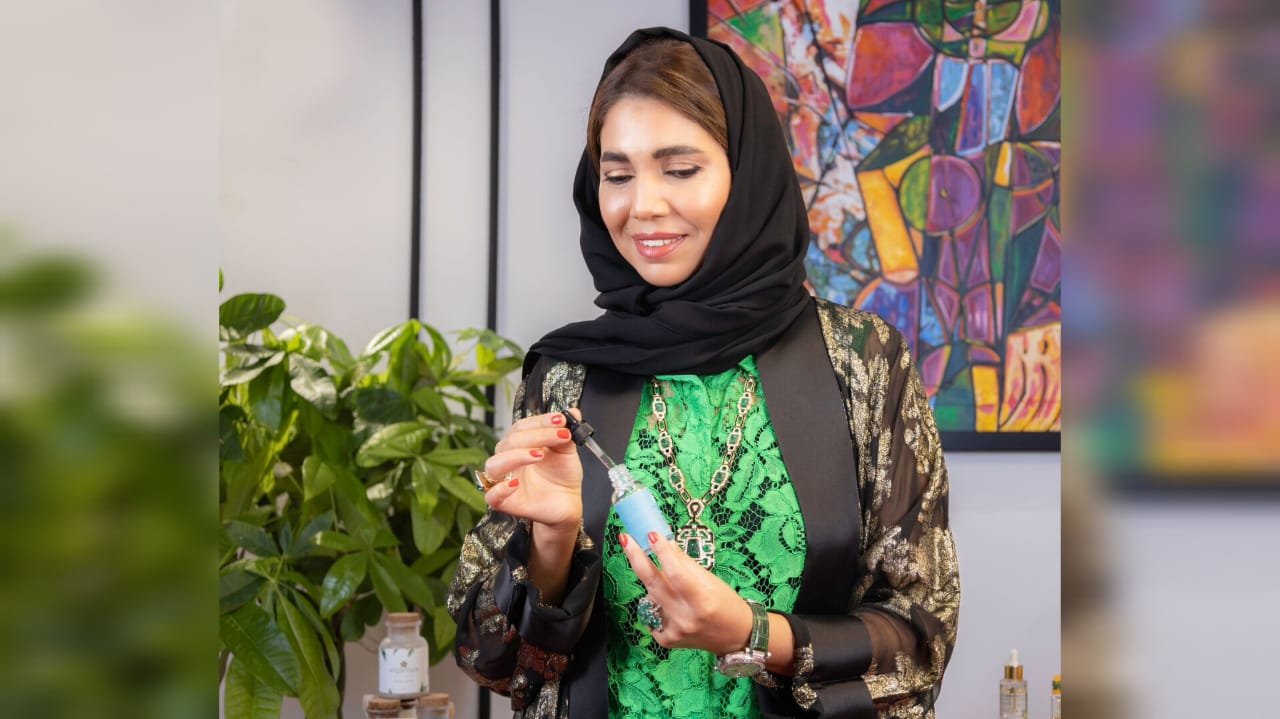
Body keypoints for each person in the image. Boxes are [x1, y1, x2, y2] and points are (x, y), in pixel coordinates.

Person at [448, 26, 959, 719]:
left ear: (745, 176)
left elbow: (921, 638)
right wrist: (552, 544)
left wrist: (755, 633)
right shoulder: (565, 377)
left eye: (680, 169)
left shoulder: (863, 363)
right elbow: (494, 663)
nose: (643, 205)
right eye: (617, 174)